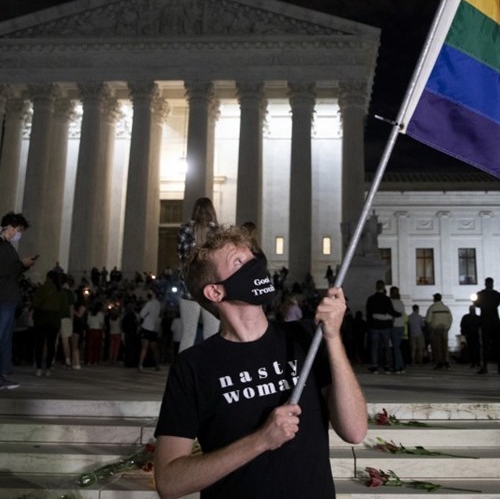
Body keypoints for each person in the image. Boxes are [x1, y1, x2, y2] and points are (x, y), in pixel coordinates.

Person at [152, 225, 366, 498]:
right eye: (239, 262)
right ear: (215, 292)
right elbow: (169, 482)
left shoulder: (306, 337)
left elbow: (355, 431)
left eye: (252, 259)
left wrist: (333, 338)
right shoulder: (193, 366)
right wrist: (260, 441)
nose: (254, 266)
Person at [0, 212, 36, 391]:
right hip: (0, 298)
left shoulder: (7, 246)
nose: (18, 234)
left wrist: (22, 267)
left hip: (7, 298)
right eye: (18, 230)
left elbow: (11, 271)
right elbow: (4, 270)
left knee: (0, 339)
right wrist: (22, 264)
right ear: (9, 227)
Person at [177, 197, 220, 352]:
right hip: (212, 288)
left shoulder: (185, 229)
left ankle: (183, 373)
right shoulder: (218, 232)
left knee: (188, 333)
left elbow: (182, 256)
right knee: (212, 334)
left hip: (189, 288)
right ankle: (211, 372)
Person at [31, 269, 68, 377]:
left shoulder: (41, 289)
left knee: (39, 344)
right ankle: (48, 368)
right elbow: (64, 308)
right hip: (54, 320)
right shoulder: (61, 292)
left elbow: (35, 303)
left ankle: (38, 367)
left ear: (48, 278)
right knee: (51, 345)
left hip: (41, 319)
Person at [364, 279, 397, 373]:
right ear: (383, 287)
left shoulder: (371, 299)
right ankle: (387, 366)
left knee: (374, 346)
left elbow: (368, 313)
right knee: (387, 346)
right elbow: (391, 311)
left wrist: (369, 324)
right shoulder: (386, 299)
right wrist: (398, 314)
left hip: (374, 326)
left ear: (376, 287)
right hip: (386, 326)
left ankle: (374, 366)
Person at [476, 277, 500, 374]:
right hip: (494, 321)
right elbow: (494, 304)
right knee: (497, 345)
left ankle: (485, 366)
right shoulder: (497, 295)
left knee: (486, 345)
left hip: (485, 321)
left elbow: (478, 304)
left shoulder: (481, 294)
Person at [425, 292, 453, 370]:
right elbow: (450, 319)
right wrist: (447, 327)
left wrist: (431, 328)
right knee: (445, 347)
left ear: (434, 299)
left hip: (436, 329)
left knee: (437, 347)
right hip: (445, 329)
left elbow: (428, 320)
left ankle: (439, 362)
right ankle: (446, 362)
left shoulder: (432, 308)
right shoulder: (446, 308)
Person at [138, 289, 162, 372]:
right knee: (154, 348)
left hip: (147, 327)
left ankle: (140, 365)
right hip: (154, 328)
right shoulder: (158, 303)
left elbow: (141, 314)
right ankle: (157, 365)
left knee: (144, 348)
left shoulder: (149, 303)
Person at [388, 286, 406, 373]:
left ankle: (397, 367)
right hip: (401, 326)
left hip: (394, 326)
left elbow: (391, 314)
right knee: (397, 347)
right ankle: (400, 366)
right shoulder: (401, 302)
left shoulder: (390, 302)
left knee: (395, 347)